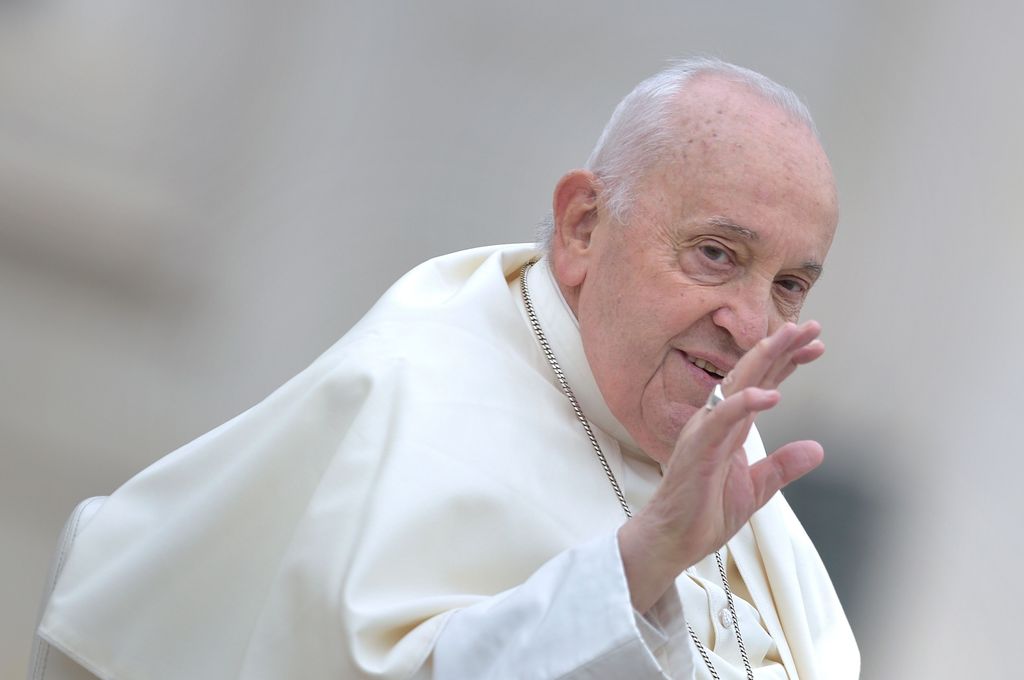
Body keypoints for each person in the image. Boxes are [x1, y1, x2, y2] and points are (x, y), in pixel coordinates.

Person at [38, 57, 859, 679]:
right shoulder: (411, 395)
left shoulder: (729, 458)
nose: (751, 323)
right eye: (716, 254)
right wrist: (636, 565)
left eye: (789, 285)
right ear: (581, 228)